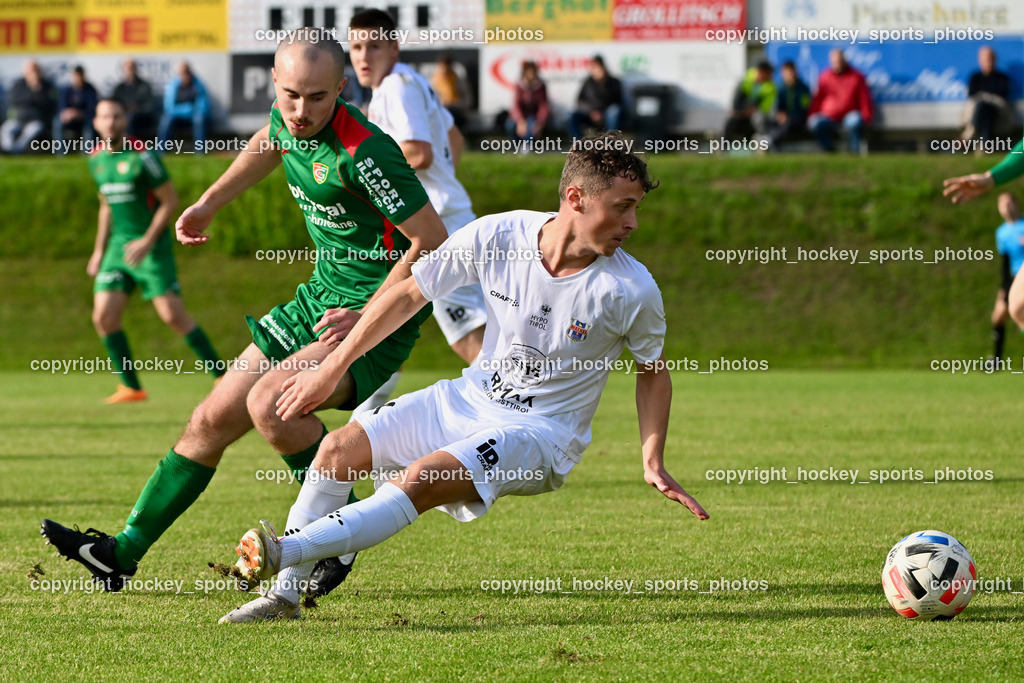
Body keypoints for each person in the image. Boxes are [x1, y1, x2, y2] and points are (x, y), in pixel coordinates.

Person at [218, 131, 710, 623]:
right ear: (575, 198)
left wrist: (652, 459)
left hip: (541, 435)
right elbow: (411, 294)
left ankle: (284, 551)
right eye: (623, 207)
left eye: (636, 208)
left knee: (422, 479)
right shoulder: (498, 236)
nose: (632, 223)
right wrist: (332, 367)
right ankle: (282, 601)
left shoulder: (632, 289)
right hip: (469, 398)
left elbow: (652, 372)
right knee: (337, 451)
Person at [41, 30, 448, 598]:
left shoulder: (366, 152)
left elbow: (433, 243)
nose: (300, 111)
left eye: (316, 98)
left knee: (272, 408)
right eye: (289, 96)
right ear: (275, 87)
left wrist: (365, 314)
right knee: (209, 420)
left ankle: (340, 531)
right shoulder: (288, 120)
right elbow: (269, 140)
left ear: (342, 89)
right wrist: (209, 202)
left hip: (369, 320)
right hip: (315, 300)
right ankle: (119, 554)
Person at [348, 10, 486, 395]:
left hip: (437, 230)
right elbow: (454, 138)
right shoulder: (409, 82)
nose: (363, 56)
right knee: (386, 321)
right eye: (356, 47)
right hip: (439, 221)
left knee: (468, 336)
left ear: (394, 47)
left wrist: (366, 180)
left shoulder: (396, 86)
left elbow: (418, 153)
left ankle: (529, 413)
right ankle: (366, 432)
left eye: (374, 46)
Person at [87, 98, 225, 403]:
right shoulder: (95, 158)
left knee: (172, 316)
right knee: (104, 317)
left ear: (125, 120)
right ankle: (132, 387)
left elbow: (170, 201)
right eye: (105, 117)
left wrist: (148, 241)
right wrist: (98, 251)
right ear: (96, 122)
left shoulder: (143, 156)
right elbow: (105, 206)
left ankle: (221, 376)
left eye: (117, 116)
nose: (111, 122)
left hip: (151, 247)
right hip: (117, 249)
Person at [807, 49, 873, 153]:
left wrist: (867, 116)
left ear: (844, 60)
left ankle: (854, 153)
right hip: (828, 117)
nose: (837, 64)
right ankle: (829, 151)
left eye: (839, 61)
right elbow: (817, 99)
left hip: (849, 116)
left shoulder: (856, 77)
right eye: (834, 61)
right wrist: (812, 115)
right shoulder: (824, 77)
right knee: (816, 123)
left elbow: (864, 98)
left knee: (855, 121)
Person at [990, 192, 1024, 367]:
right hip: (1011, 278)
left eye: (1009, 203)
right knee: (998, 316)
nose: (1006, 207)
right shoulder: (1001, 233)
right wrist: (1004, 286)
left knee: (1019, 312)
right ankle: (996, 360)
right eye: (1002, 204)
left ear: (1016, 204)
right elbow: (1005, 261)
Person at [0, 60, 56, 154]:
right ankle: (8, 150)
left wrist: (36, 89)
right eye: (31, 71)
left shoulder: (46, 86)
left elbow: (47, 104)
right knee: (7, 129)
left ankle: (16, 151)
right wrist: (32, 96)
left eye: (35, 70)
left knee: (31, 131)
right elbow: (14, 100)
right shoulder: (19, 84)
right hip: (19, 119)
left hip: (35, 120)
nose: (33, 73)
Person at [963, 46, 1013, 144]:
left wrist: (985, 96)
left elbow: (1002, 94)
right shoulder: (975, 77)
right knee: (982, 108)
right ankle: (985, 143)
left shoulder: (1002, 77)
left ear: (995, 60)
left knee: (986, 109)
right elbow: (971, 94)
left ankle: (970, 134)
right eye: (985, 59)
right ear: (980, 61)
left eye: (990, 58)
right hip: (979, 109)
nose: (988, 62)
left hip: (997, 111)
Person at [567, 56, 624, 141]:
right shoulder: (587, 82)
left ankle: (609, 142)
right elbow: (580, 101)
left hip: (606, 114)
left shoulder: (614, 82)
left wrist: (603, 83)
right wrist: (592, 112)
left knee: (614, 111)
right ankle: (580, 144)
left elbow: (617, 101)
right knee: (572, 116)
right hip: (589, 114)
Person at [158, 62, 210, 152]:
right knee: (165, 120)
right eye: (182, 73)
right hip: (177, 116)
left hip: (193, 116)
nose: (185, 75)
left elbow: (203, 107)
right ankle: (161, 151)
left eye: (187, 72)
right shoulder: (173, 85)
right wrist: (187, 109)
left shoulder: (198, 85)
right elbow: (169, 108)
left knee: (199, 119)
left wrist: (191, 111)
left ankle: (200, 151)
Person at [723, 60, 776, 142]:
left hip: (755, 115)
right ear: (762, 72)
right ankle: (722, 147)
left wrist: (752, 110)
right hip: (740, 112)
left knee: (759, 119)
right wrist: (742, 111)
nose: (771, 76)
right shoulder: (746, 79)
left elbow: (765, 108)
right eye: (769, 73)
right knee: (730, 120)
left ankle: (763, 143)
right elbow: (736, 101)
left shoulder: (770, 87)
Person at [768, 61, 811, 150]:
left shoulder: (804, 89)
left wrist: (788, 117)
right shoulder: (780, 88)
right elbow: (775, 106)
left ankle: (770, 141)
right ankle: (769, 140)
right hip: (782, 119)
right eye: (786, 73)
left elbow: (804, 109)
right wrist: (778, 115)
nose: (789, 75)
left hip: (797, 120)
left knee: (788, 124)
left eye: (791, 72)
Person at [505, 60, 549, 143]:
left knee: (532, 126)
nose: (532, 74)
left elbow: (543, 106)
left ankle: (526, 145)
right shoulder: (519, 86)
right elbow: (516, 105)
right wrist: (520, 121)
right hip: (520, 116)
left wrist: (540, 121)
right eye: (529, 72)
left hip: (533, 115)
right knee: (510, 125)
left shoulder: (541, 86)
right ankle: (517, 144)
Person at [113, 59, 157, 138]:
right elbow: (115, 105)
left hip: (141, 118)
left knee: (130, 119)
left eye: (132, 68)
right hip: (124, 115)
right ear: (123, 70)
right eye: (128, 68)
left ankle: (132, 144)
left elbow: (149, 105)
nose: (130, 70)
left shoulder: (144, 86)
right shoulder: (119, 88)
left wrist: (137, 109)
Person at [56, 65, 98, 148]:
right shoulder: (66, 90)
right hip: (69, 118)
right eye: (76, 75)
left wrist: (79, 113)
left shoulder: (89, 89)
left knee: (89, 125)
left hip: (84, 117)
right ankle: (60, 151)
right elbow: (61, 106)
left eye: (80, 75)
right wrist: (67, 113)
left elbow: (92, 107)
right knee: (57, 123)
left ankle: (86, 151)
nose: (78, 78)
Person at [430, 54, 467, 130]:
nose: (445, 70)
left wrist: (457, 103)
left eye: (447, 67)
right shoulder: (433, 82)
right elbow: (429, 102)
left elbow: (468, 99)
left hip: (457, 111)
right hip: (439, 112)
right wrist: (442, 102)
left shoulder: (459, 81)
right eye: (442, 67)